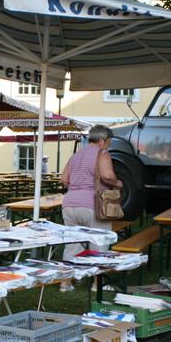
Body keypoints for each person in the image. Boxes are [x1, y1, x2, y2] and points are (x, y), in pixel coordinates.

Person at [59, 124, 124, 290]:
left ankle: (66, 282)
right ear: (102, 140)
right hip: (92, 205)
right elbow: (107, 176)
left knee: (72, 244)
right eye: (109, 141)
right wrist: (118, 183)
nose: (109, 145)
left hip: (70, 204)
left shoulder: (76, 155)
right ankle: (97, 284)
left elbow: (64, 179)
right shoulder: (102, 153)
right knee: (99, 244)